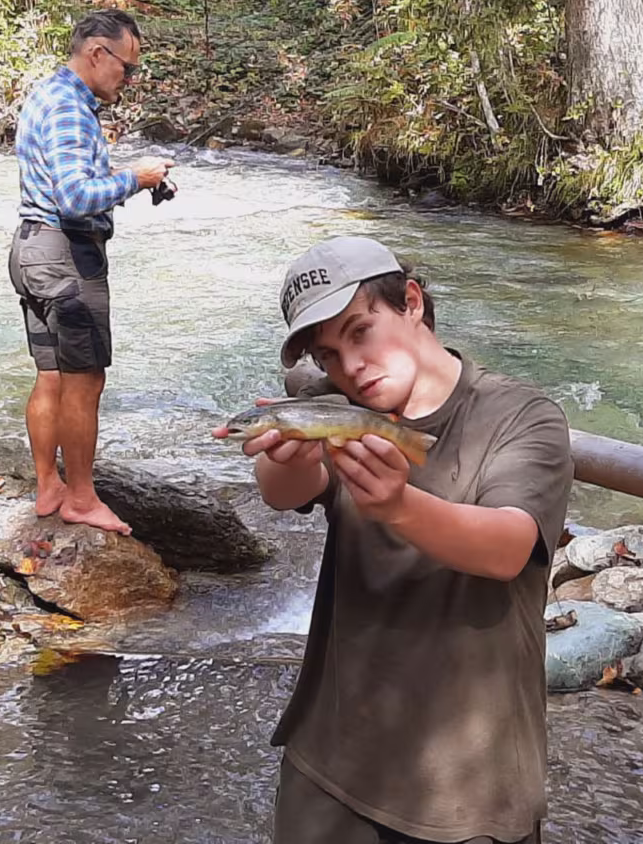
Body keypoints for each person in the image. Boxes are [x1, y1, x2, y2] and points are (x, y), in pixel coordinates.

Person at [215, 236, 574, 843]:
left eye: (360, 332)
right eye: (328, 355)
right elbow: (283, 489)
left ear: (410, 303)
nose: (350, 365)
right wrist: (284, 449)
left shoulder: (519, 416)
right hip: (327, 757)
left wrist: (400, 506)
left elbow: (507, 548)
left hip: (466, 788)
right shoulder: (331, 403)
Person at [8, 8, 175, 535]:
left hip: (31, 250)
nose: (129, 80)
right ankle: (80, 496)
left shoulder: (48, 93)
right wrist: (135, 177)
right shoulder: (70, 109)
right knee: (86, 380)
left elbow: (70, 181)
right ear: (97, 54)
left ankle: (47, 486)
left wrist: (135, 182)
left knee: (52, 375)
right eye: (128, 68)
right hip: (65, 257)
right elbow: (76, 197)